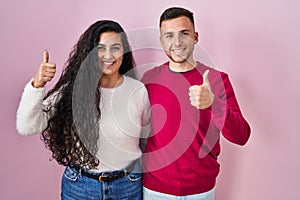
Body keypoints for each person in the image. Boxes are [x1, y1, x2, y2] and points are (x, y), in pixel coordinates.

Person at [16, 20, 150, 200]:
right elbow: (27, 127)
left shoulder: (138, 90)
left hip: (128, 186)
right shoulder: (73, 90)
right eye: (100, 48)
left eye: (115, 47)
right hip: (81, 187)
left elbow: (147, 138)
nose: (108, 55)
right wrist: (37, 85)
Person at [141, 7, 251, 199]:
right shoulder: (149, 79)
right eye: (169, 35)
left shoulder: (218, 80)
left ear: (195, 37)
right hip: (155, 189)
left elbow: (241, 136)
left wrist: (213, 103)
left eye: (184, 33)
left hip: (200, 191)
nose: (177, 42)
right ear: (161, 41)